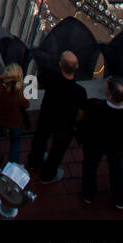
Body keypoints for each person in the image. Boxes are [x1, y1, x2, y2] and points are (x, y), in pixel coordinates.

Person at [79, 75, 123, 210]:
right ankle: (119, 198)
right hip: (117, 144)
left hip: (95, 144)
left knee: (90, 167)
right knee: (116, 169)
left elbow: (85, 122)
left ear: (109, 95)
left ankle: (88, 194)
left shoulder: (96, 107)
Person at [27, 50, 87, 184]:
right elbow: (81, 112)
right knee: (57, 151)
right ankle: (47, 176)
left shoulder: (50, 75)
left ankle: (33, 162)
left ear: (60, 64)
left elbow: (34, 87)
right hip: (65, 123)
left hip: (47, 115)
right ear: (76, 67)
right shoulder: (80, 91)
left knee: (40, 139)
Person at [0, 63, 30, 165]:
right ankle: (12, 165)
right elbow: (26, 104)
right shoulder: (18, 96)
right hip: (14, 122)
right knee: (15, 142)